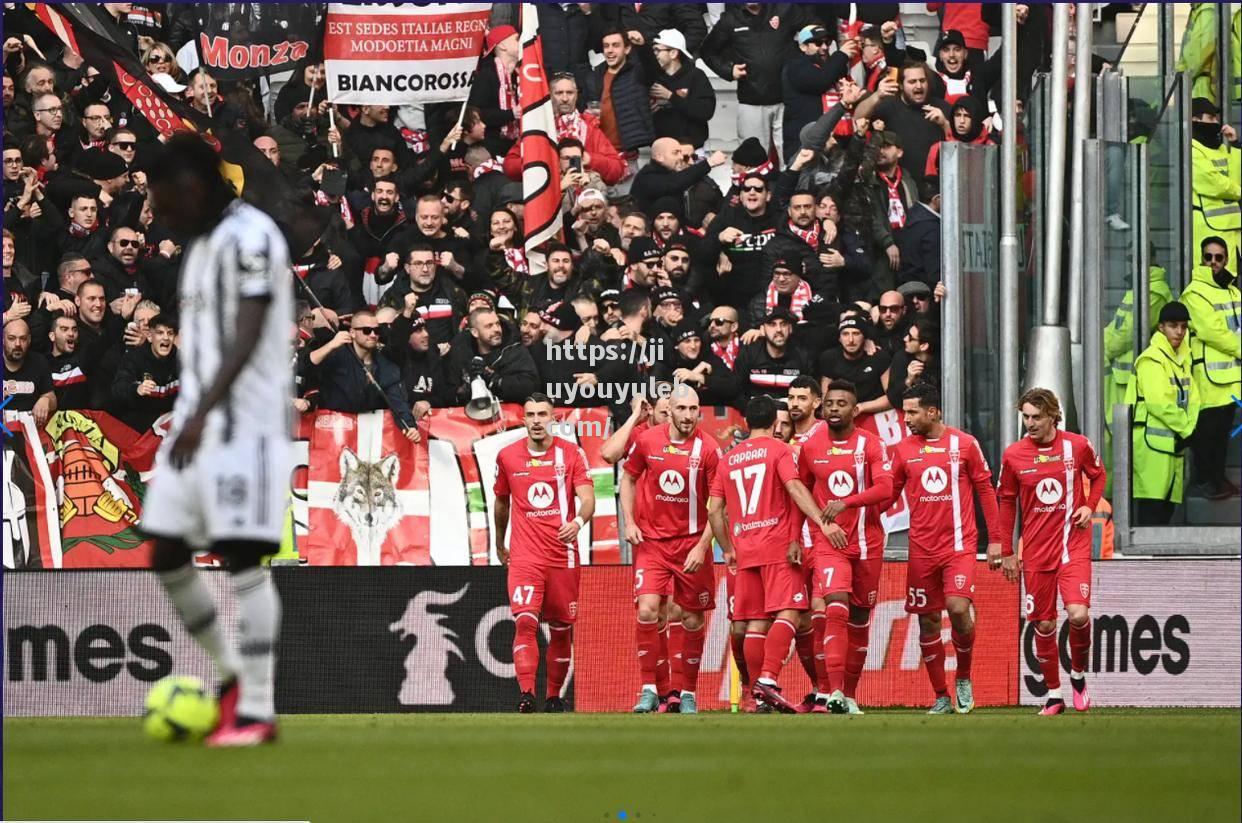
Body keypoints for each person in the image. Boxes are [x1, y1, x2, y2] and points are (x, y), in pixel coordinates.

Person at [142, 133, 294, 746]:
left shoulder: (251, 235)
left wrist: (204, 409)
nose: (160, 216)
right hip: (195, 420)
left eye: (164, 202)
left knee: (241, 556)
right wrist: (193, 412)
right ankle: (232, 676)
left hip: (245, 425)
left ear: (194, 187)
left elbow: (252, 328)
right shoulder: (199, 246)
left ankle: (257, 712)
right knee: (166, 549)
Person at [706, 393, 832, 713]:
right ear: (776, 423)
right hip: (776, 545)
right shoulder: (780, 450)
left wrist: (728, 549)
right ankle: (768, 678)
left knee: (754, 624)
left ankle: (756, 694)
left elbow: (714, 512)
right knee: (790, 613)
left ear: (747, 423)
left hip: (744, 548)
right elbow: (794, 488)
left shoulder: (729, 458)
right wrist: (821, 520)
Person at [887, 381, 1001, 714]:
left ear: (933, 411)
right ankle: (941, 695)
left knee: (957, 607)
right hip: (921, 549)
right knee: (928, 622)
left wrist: (995, 540)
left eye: (912, 411)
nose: (905, 418)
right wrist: (858, 512)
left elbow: (985, 491)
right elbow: (889, 493)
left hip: (958, 546)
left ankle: (963, 676)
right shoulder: (903, 450)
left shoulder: (965, 445)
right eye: (904, 411)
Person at [997, 388, 1107, 716]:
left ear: (1053, 416)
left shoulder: (1077, 445)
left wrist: (1089, 506)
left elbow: (1098, 476)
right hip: (1035, 552)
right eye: (1026, 417)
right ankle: (1054, 695)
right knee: (1043, 625)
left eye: (1037, 417)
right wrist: (1007, 551)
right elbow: (1006, 502)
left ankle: (1078, 674)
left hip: (1072, 546)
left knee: (1078, 614)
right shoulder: (1014, 455)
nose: (1030, 423)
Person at [620, 385, 720, 714]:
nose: (688, 416)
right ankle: (654, 689)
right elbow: (628, 479)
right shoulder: (648, 440)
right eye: (682, 409)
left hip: (692, 543)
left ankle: (687, 692)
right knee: (648, 610)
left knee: (691, 619)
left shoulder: (708, 449)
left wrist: (704, 546)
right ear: (670, 410)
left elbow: (720, 504)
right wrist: (630, 522)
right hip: (652, 542)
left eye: (694, 409)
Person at [493, 393, 596, 712]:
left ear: (553, 418)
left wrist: (578, 522)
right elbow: (501, 502)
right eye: (531, 414)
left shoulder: (572, 454)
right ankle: (526, 695)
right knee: (525, 622)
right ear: (523, 418)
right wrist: (500, 542)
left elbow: (588, 498)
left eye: (542, 414)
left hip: (562, 556)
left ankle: (553, 696)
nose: (536, 420)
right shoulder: (507, 456)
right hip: (525, 557)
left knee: (562, 629)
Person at [798, 380, 894, 714]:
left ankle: (849, 695)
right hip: (830, 542)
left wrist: (846, 503)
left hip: (867, 543)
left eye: (842, 403)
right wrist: (805, 532)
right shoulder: (811, 446)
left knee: (859, 618)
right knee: (834, 606)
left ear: (855, 411)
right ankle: (834, 692)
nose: (834, 408)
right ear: (822, 408)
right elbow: (802, 491)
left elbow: (885, 488)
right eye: (830, 403)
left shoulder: (871, 445)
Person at [1126, 302, 1201, 525]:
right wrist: (1189, 429)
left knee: (1164, 510)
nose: (1179, 332)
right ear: (1161, 328)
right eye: (1173, 326)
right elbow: (1159, 404)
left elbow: (1194, 399)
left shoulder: (1180, 360)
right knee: (1152, 511)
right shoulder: (1152, 359)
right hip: (1152, 448)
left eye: (1183, 327)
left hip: (1170, 444)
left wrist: (1190, 428)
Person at [1183, 237, 1241, 499]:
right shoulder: (1194, 292)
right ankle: (1206, 481)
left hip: (1231, 376)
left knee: (1221, 435)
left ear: (1226, 259)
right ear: (1202, 259)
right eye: (1209, 257)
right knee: (1208, 432)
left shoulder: (1233, 291)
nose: (1214, 262)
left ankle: (1217, 479)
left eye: (1219, 257)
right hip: (1209, 377)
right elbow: (1212, 331)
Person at [308, 310, 418, 432]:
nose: (372, 335)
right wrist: (331, 345)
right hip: (334, 433)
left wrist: (409, 426)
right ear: (352, 332)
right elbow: (307, 366)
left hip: (369, 435)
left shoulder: (385, 364)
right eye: (366, 330)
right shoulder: (335, 356)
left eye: (377, 331)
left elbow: (397, 400)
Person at [1190, 98, 1239, 268]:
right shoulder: (1191, 149)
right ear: (1195, 120)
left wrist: (1235, 145)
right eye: (1211, 118)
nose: (1216, 123)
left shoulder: (1219, 147)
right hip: (1208, 229)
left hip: (1231, 228)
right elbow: (1215, 184)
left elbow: (1236, 177)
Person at [648, 29, 717, 150]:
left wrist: (671, 97)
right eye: (653, 50)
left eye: (657, 50)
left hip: (691, 149)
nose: (654, 54)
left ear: (674, 53)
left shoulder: (696, 76)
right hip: (662, 151)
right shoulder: (652, 78)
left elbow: (706, 111)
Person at [3, 317, 55, 426]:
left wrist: (46, 400)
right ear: (3, 339)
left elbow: (52, 399)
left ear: (29, 340)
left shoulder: (39, 362)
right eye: (11, 338)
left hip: (31, 425)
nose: (17, 344)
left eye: (23, 338)